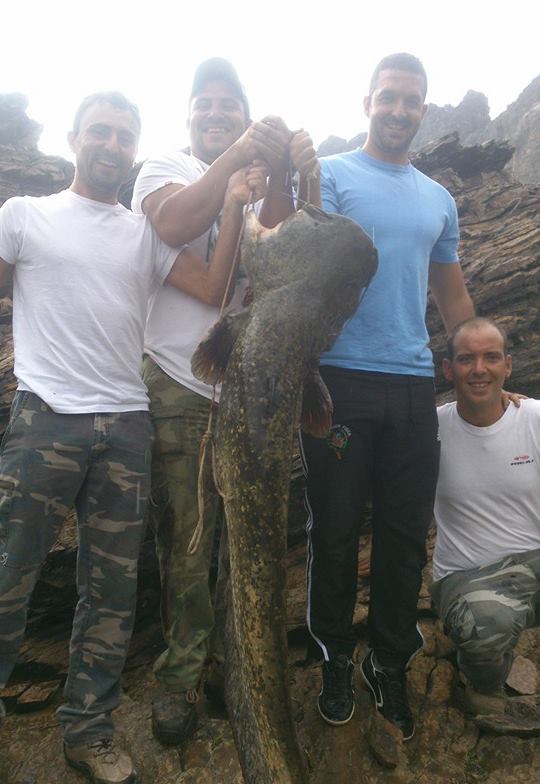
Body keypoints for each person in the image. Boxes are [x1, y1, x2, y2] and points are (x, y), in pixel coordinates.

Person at [0, 90, 265, 784]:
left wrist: (236, 203)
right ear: (74, 138)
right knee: (9, 576)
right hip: (45, 418)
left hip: (126, 422)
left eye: (124, 135)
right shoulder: (24, 216)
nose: (112, 145)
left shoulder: (144, 234)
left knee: (110, 593)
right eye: (101, 133)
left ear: (136, 145)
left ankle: (89, 730)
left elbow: (212, 288)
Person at [132, 58, 310, 747]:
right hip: (179, 381)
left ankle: (228, 672)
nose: (215, 115)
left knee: (245, 539)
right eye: (204, 105)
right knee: (187, 537)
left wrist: (288, 178)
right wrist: (238, 166)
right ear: (189, 117)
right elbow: (178, 228)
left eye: (228, 107)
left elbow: (284, 261)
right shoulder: (163, 166)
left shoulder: (260, 179)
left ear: (245, 112)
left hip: (247, 390)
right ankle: (179, 677)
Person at [298, 52, 475, 740]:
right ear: (367, 101)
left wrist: (476, 373)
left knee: (404, 536)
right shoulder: (334, 176)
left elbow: (450, 291)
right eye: (389, 98)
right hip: (339, 379)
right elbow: (323, 264)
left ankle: (389, 662)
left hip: (410, 385)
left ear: (424, 111)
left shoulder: (439, 198)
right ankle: (335, 656)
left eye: (412, 101)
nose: (399, 111)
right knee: (336, 532)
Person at [430, 318, 540, 733]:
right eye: (466, 359)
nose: (479, 369)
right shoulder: (430, 429)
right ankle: (483, 690)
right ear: (448, 370)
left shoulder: (533, 418)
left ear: (508, 366)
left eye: (491, 357)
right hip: (468, 576)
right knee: (485, 625)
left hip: (534, 561)